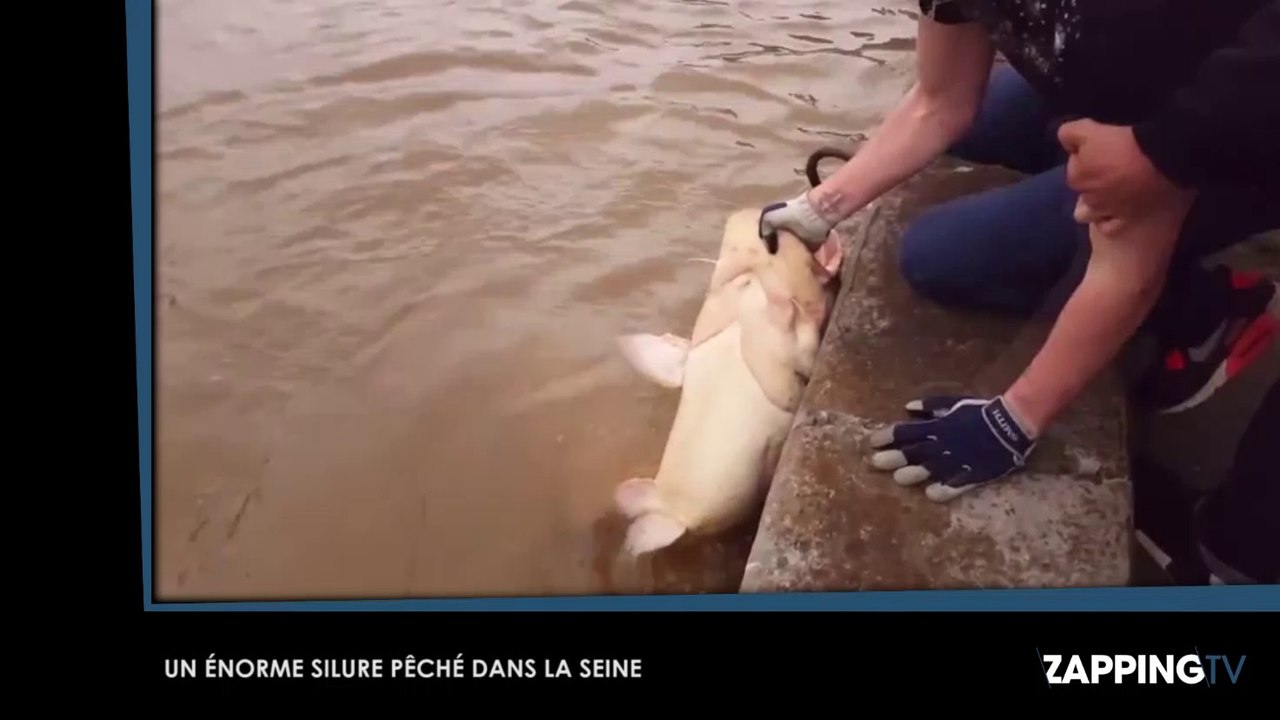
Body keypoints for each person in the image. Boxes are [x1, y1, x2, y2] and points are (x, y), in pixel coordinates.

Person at [758, 0, 1280, 503]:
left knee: (938, 257)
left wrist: (1015, 419)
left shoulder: (1127, 35)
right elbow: (938, 101)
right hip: (1125, 82)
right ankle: (1076, 148)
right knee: (981, 120)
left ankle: (1206, 316)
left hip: (1234, 134)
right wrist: (818, 208)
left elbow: (1128, 263)